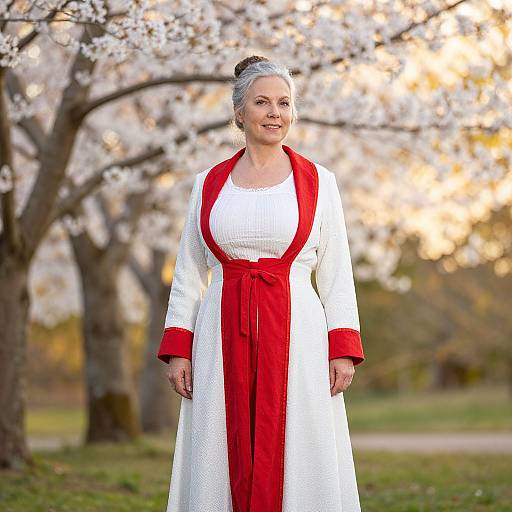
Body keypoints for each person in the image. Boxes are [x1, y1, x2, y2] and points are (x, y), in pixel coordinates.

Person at [157, 55, 365, 512]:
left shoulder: (317, 183)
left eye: (285, 103)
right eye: (263, 102)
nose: (275, 113)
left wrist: (343, 346)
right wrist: (178, 348)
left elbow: (336, 267)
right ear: (239, 112)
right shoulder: (208, 184)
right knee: (219, 437)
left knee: (297, 439)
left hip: (298, 333)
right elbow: (190, 269)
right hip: (221, 330)